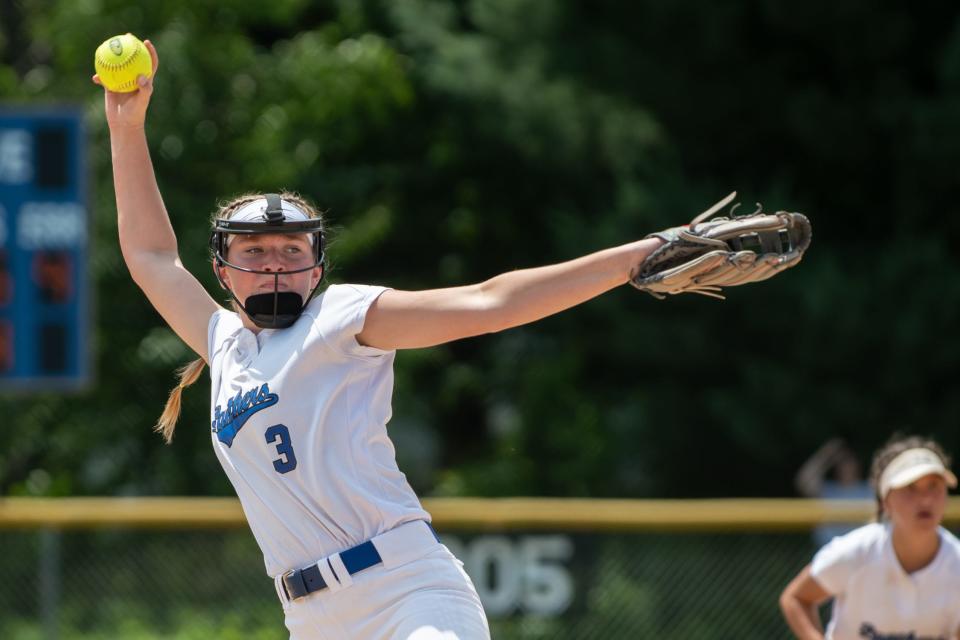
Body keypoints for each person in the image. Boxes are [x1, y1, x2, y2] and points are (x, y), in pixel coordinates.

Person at [94, 40, 689, 640]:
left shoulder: (341, 317)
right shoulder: (220, 343)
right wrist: (127, 128)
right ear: (222, 270)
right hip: (310, 618)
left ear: (317, 265)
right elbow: (150, 255)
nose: (274, 262)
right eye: (254, 250)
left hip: (408, 593)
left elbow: (490, 301)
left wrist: (638, 257)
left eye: (291, 249)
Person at [779, 434, 960, 640]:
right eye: (910, 487)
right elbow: (797, 598)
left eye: (934, 485)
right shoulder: (855, 552)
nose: (926, 499)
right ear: (885, 502)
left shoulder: (957, 563)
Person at [795, 438, 873, 547]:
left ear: (857, 463)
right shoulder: (827, 490)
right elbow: (804, 480)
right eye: (842, 462)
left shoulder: (869, 490)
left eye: (849, 461)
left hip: (861, 554)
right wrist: (826, 455)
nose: (846, 466)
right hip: (828, 551)